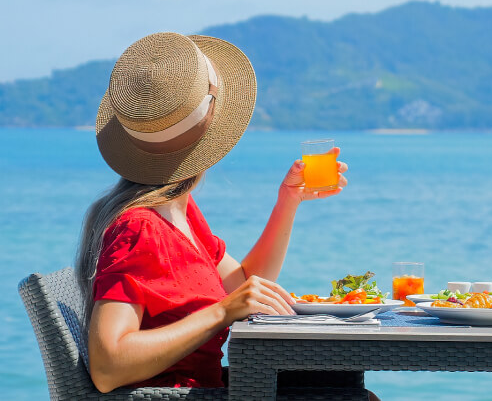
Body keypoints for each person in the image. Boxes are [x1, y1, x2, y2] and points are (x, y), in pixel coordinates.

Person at [75, 32, 347, 392]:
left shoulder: (177, 210)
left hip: (213, 388)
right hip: (189, 395)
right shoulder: (139, 228)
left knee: (351, 389)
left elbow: (245, 283)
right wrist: (221, 312)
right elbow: (109, 366)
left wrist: (288, 201)